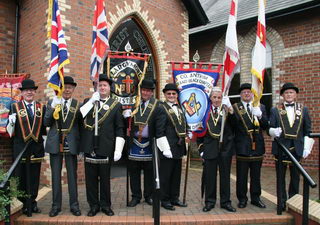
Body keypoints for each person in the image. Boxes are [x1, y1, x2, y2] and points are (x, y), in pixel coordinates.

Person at [80, 74, 125, 216]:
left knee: (105, 179)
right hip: (89, 146)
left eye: (104, 85)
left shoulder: (115, 105)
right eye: (99, 85)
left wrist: (118, 148)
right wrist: (91, 102)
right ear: (96, 87)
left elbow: (119, 127)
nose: (102, 87)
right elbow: (79, 117)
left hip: (106, 146)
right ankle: (93, 205)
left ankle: (105, 205)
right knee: (90, 180)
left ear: (109, 88)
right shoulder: (88, 101)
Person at [269, 82, 312, 211]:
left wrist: (307, 147)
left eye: (291, 92)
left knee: (295, 178)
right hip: (281, 147)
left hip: (297, 148)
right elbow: (269, 128)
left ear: (296, 95)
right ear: (282, 95)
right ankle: (281, 202)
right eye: (286, 93)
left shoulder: (303, 109)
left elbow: (307, 130)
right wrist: (272, 131)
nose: (289, 95)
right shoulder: (275, 110)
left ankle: (293, 202)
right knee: (280, 178)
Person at [124, 79, 167, 207]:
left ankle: (149, 196)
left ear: (152, 93)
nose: (146, 93)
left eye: (148, 91)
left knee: (149, 173)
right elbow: (127, 124)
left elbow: (160, 125)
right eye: (144, 90)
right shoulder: (134, 104)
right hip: (134, 142)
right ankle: (136, 196)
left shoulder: (157, 105)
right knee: (134, 172)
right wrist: (125, 116)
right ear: (140, 91)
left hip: (150, 142)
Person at [6, 79, 46, 214]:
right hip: (20, 148)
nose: (29, 92)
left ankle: (33, 203)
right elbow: (10, 132)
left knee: (34, 177)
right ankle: (23, 203)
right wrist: (10, 124)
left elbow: (44, 129)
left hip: (36, 148)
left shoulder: (42, 107)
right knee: (21, 176)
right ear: (22, 92)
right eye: (26, 90)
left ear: (34, 92)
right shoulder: (14, 107)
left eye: (31, 90)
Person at [44, 76, 82, 217]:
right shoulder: (52, 102)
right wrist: (52, 107)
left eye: (70, 87)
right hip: (55, 143)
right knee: (55, 176)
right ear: (60, 88)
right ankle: (56, 206)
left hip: (71, 144)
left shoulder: (77, 105)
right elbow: (46, 123)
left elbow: (80, 126)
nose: (67, 89)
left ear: (73, 89)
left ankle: (74, 205)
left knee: (72, 176)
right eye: (65, 86)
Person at [197, 87, 236, 212]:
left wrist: (230, 109)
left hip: (225, 149)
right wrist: (201, 149)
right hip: (209, 149)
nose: (217, 100)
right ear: (210, 98)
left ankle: (225, 202)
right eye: (214, 97)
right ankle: (210, 202)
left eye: (219, 97)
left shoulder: (226, 110)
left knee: (225, 177)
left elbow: (236, 125)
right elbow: (199, 132)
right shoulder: (204, 112)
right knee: (210, 177)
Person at [230, 83, 268, 209]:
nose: (247, 94)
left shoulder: (260, 106)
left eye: (249, 92)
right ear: (240, 95)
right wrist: (229, 112)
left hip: (257, 146)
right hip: (242, 146)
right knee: (241, 176)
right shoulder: (235, 107)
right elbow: (232, 126)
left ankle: (256, 198)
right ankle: (242, 199)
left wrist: (260, 115)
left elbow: (265, 126)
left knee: (256, 175)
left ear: (253, 94)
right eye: (244, 92)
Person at [159, 83, 187, 210]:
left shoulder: (180, 108)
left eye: (174, 94)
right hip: (167, 148)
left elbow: (181, 125)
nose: (171, 95)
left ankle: (174, 198)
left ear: (177, 95)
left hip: (178, 147)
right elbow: (159, 130)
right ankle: (164, 200)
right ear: (165, 95)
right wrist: (165, 148)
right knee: (166, 176)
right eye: (169, 93)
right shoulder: (161, 108)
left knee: (176, 175)